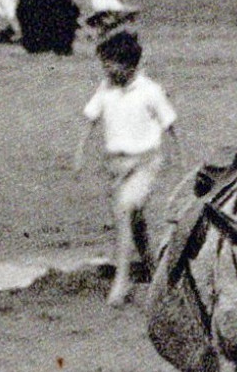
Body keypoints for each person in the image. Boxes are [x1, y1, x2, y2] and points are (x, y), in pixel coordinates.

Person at [73, 30, 179, 308]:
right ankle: (156, 270)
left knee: (124, 211)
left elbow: (170, 126)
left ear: (129, 64)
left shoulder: (150, 91)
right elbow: (90, 121)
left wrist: (180, 162)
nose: (106, 70)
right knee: (136, 222)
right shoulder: (105, 88)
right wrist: (79, 153)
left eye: (111, 64)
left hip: (145, 162)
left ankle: (122, 281)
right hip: (116, 165)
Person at [15, 0, 81, 55]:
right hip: (58, 45)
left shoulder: (25, 2)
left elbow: (22, 21)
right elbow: (75, 16)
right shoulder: (64, 2)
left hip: (33, 45)